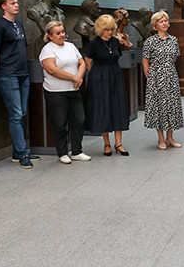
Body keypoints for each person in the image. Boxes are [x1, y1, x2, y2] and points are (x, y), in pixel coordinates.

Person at [0, 0, 40, 169]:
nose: (16, 5)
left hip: (22, 73)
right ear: (4, 6)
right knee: (16, 114)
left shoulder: (18, 24)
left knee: (22, 113)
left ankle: (19, 151)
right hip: (7, 75)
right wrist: (0, 71)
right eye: (12, 3)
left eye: (17, 2)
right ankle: (21, 152)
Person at [39, 21, 89, 164]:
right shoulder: (47, 50)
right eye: (58, 33)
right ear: (49, 36)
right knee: (60, 123)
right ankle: (62, 152)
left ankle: (77, 151)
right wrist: (73, 77)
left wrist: (79, 76)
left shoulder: (71, 46)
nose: (62, 35)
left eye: (62, 32)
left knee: (79, 120)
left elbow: (82, 62)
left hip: (73, 90)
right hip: (56, 92)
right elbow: (52, 69)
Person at [83, 15, 130, 157]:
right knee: (102, 108)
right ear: (100, 29)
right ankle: (107, 143)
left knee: (118, 107)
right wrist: (98, 75)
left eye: (111, 29)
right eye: (107, 30)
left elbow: (117, 56)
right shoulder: (94, 44)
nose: (110, 32)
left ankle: (119, 143)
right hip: (99, 78)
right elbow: (88, 62)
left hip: (115, 76)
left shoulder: (115, 42)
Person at [142, 10, 184, 150]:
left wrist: (168, 69)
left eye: (166, 20)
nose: (165, 23)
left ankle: (170, 137)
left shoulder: (174, 40)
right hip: (156, 77)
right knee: (159, 107)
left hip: (171, 76)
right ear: (155, 25)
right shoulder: (150, 41)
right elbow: (145, 61)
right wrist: (151, 78)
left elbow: (176, 57)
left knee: (172, 106)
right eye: (161, 21)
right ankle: (160, 139)